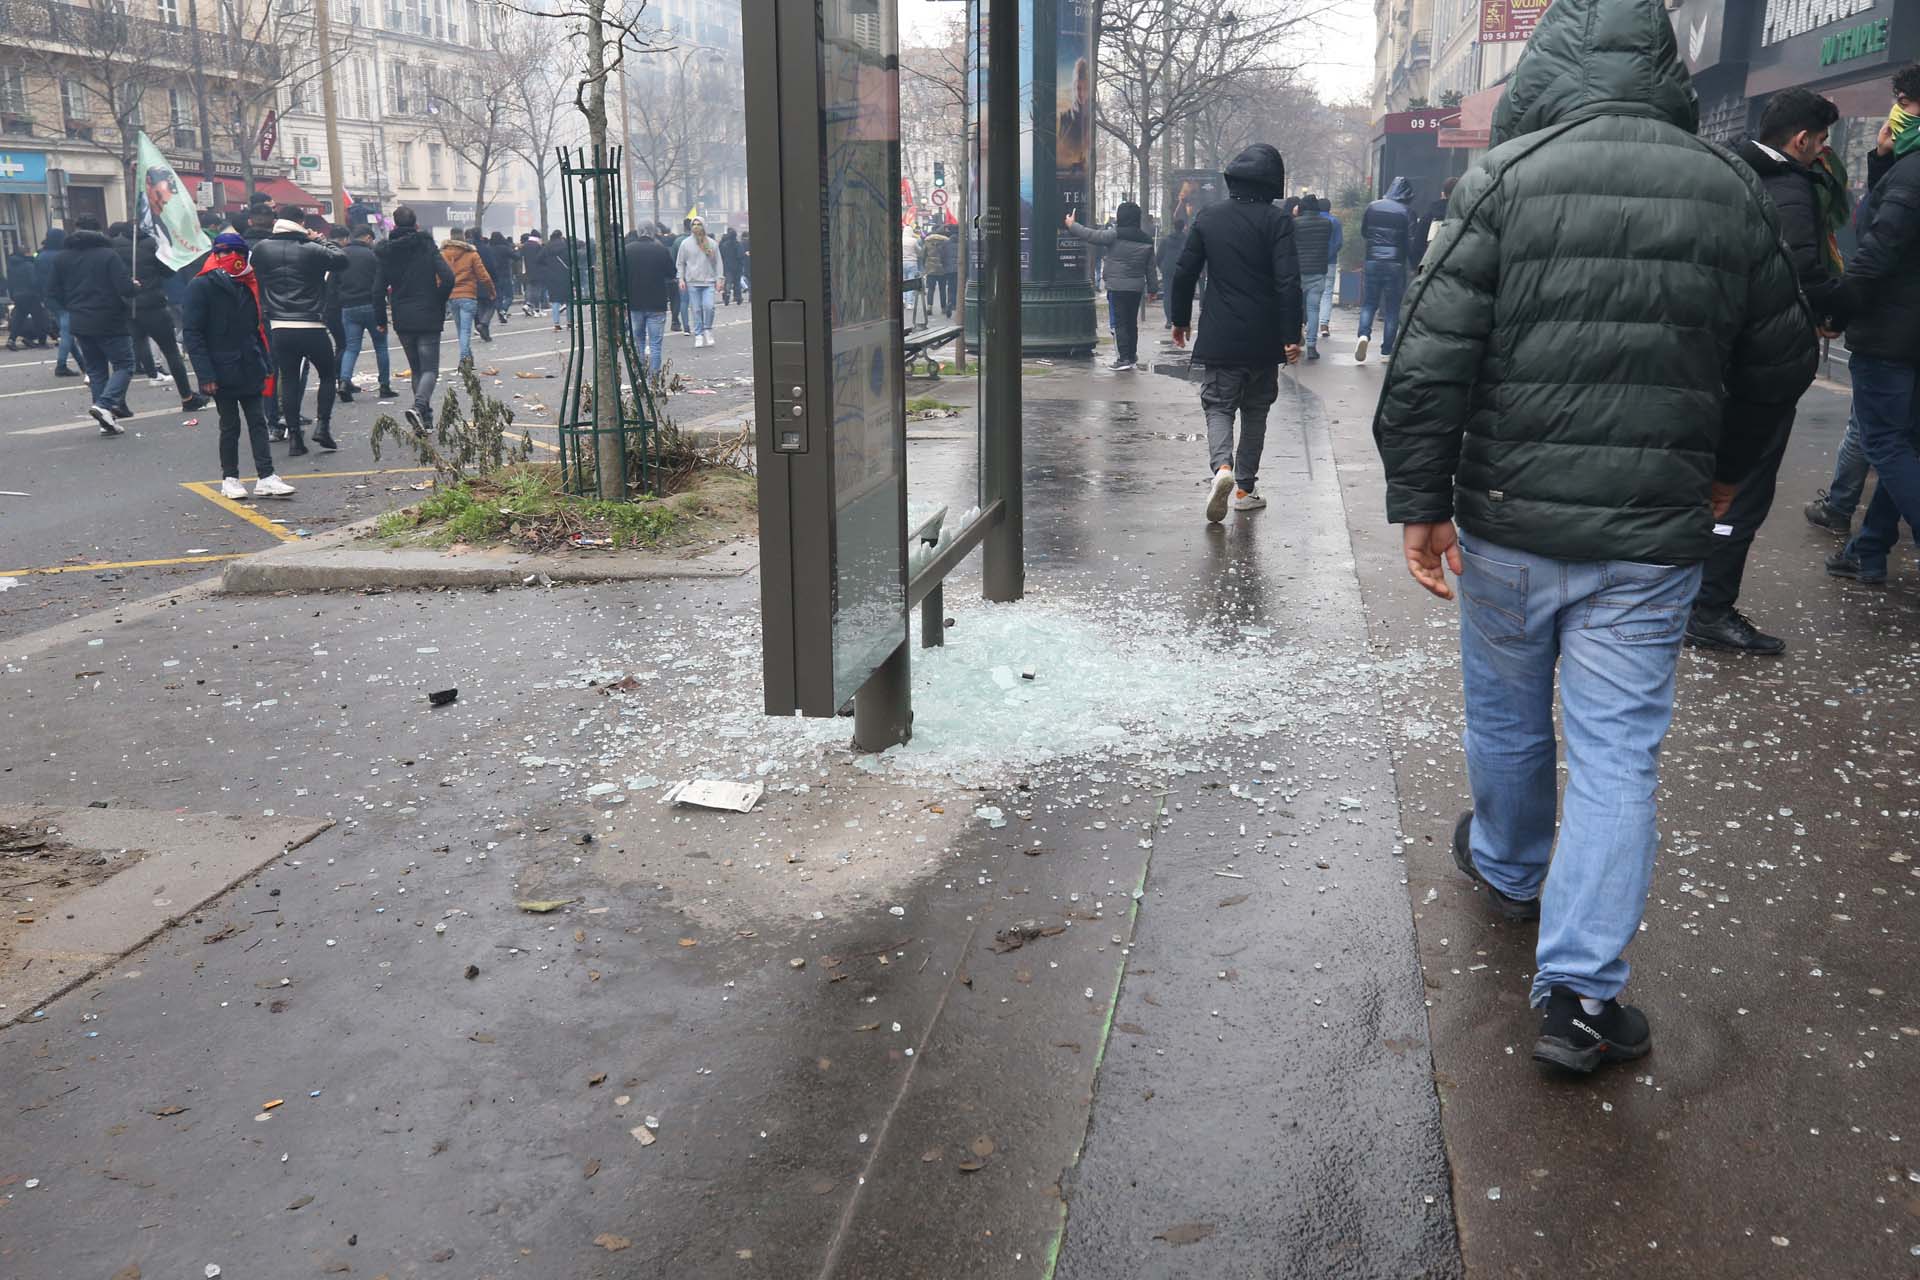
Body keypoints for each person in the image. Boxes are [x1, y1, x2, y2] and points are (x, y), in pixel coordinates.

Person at [1374, 0, 1815, 1074]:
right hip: (1651, 540)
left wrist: (1421, 501)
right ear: (1667, 69)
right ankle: (1577, 997)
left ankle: (1513, 867)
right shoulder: (1728, 188)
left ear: (1550, 66)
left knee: (1509, 714)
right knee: (1619, 755)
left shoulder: (1504, 180)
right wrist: (1719, 470)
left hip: (1512, 523)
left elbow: (1427, 362)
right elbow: (1783, 358)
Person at [1684, 89, 1846, 654]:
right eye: (1822, 143)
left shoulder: (1728, 171)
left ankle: (1688, 596)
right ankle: (1709, 608)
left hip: (1715, 352)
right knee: (1742, 486)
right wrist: (1833, 308)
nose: (1823, 154)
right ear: (1801, 140)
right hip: (1761, 361)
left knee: (1707, 479)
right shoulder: (1789, 187)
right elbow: (1800, 272)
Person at [1168, 143, 1302, 522]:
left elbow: (1184, 272)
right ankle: (1245, 488)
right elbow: (1289, 282)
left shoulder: (1209, 217)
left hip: (1220, 334)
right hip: (1265, 339)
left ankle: (1221, 469)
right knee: (1256, 412)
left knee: (1218, 406)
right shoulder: (1277, 222)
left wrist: (1180, 320)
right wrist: (1291, 335)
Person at [1826, 62, 1920, 588]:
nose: (1896, 114)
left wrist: (1838, 310)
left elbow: (1876, 248)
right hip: (1908, 331)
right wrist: (1884, 162)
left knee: (1884, 441)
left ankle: (1867, 549)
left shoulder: (1913, 173)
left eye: (1903, 101)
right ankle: (1868, 551)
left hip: (1891, 332)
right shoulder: (1905, 169)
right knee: (1904, 441)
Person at [181, 232, 294, 500]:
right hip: (221, 369)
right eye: (227, 254)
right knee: (229, 425)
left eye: (239, 254)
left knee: (257, 422)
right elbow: (193, 334)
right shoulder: (201, 286)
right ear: (216, 255)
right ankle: (230, 478)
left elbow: (255, 329)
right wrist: (205, 374)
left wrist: (264, 361)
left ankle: (266, 476)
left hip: (249, 364)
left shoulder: (247, 283)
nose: (234, 259)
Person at [251, 203, 347, 455]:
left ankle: (295, 438)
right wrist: (322, 240)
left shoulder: (261, 249)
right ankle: (323, 427)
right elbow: (341, 260)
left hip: (280, 326)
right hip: (311, 323)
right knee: (327, 374)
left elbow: (258, 276)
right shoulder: (311, 249)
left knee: (289, 378)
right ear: (301, 222)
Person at [44, 214, 138, 435]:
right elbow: (125, 288)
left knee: (96, 371)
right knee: (125, 364)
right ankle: (105, 405)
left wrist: (67, 308)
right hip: (109, 319)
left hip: (79, 320)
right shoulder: (108, 255)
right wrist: (135, 286)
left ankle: (105, 421)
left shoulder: (62, 258)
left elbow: (51, 292)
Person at [373, 204, 456, 434]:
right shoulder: (426, 245)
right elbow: (448, 277)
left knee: (416, 369)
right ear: (416, 223)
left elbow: (377, 289)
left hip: (402, 315)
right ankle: (420, 407)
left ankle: (425, 421)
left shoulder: (386, 252)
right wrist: (438, 300)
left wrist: (381, 319)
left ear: (395, 224)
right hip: (428, 312)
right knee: (430, 369)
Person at [1064, 202, 1155, 371]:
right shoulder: (1147, 239)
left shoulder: (1114, 235)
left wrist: (1072, 225)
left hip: (1117, 286)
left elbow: (1091, 235)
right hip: (1136, 287)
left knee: (1118, 323)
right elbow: (1150, 267)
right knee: (1130, 323)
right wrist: (1153, 290)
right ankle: (1132, 355)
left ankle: (1122, 358)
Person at [131, 229, 209, 412]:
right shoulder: (153, 247)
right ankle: (186, 396)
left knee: (134, 349)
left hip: (129, 306)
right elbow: (167, 271)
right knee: (171, 351)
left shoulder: (115, 250)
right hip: (153, 304)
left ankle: (112, 401)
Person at [335, 226, 397, 402]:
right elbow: (382, 283)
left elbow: (334, 282)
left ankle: (344, 382)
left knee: (351, 348)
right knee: (381, 347)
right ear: (369, 238)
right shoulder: (373, 256)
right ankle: (384, 385)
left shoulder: (340, 254)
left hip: (348, 307)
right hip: (371, 305)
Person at [1355, 176, 1412, 363]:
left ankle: (1363, 335)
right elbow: (1409, 241)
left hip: (1372, 259)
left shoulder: (1373, 206)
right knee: (1392, 308)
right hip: (1395, 263)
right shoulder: (1406, 211)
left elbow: (1364, 232)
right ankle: (1386, 351)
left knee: (1369, 303)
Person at [623, 224, 677, 377]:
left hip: (634, 302)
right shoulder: (661, 249)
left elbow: (621, 275)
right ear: (653, 233)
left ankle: (640, 376)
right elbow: (671, 273)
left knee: (638, 342)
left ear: (639, 232)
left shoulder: (628, 250)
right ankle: (653, 379)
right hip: (657, 302)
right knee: (655, 344)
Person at [442, 227, 495, 366]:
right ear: (463, 238)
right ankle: (465, 359)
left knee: (461, 330)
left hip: (452, 296)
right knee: (466, 330)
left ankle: (468, 358)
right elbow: (483, 276)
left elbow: (438, 277)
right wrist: (491, 291)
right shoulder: (472, 254)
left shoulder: (443, 254)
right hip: (468, 295)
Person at [1292, 192, 1333, 362]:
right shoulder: (1327, 224)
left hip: (1299, 272)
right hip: (1318, 272)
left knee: (1296, 309)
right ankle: (1311, 346)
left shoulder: (1295, 223)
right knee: (1313, 309)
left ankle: (1295, 340)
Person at [41, 229, 79, 377]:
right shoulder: (61, 256)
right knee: (68, 332)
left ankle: (82, 363)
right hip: (62, 298)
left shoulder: (41, 256)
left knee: (67, 331)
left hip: (48, 298)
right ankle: (61, 365)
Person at [677, 218, 721, 347]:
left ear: (704, 226)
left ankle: (707, 329)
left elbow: (718, 262)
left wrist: (720, 278)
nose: (696, 226)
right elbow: (681, 263)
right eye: (694, 224)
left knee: (709, 306)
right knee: (696, 309)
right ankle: (699, 334)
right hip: (692, 281)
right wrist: (681, 278)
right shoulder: (685, 244)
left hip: (708, 281)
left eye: (699, 224)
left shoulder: (711, 243)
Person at [6, 241, 49, 348]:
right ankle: (42, 341)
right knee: (40, 318)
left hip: (18, 295)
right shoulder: (28, 265)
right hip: (31, 295)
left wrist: (13, 295)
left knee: (19, 318)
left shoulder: (11, 266)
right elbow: (34, 281)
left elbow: (10, 282)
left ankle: (11, 340)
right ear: (25, 254)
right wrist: (40, 294)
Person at [1411, 176, 1455, 262]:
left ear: (1443, 194)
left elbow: (1417, 244)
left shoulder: (1428, 216)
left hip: (1431, 265)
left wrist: (1415, 266)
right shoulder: (1465, 216)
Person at [1155, 216, 1188, 327]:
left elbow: (1158, 256)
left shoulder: (1166, 240)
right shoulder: (1187, 240)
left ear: (1174, 227)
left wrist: (1162, 267)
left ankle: (1169, 319)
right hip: (1182, 269)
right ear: (1183, 227)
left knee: (1168, 294)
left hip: (1168, 269)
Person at [1317, 197, 1343, 341]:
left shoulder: (1313, 220)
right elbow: (1339, 242)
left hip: (1313, 263)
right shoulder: (1335, 221)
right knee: (1327, 294)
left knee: (1312, 293)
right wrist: (1330, 255)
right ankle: (1324, 325)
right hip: (1330, 263)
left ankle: (1308, 325)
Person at [538, 232, 572, 330]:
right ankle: (569, 322)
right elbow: (571, 260)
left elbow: (538, 259)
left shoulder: (547, 247)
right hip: (565, 275)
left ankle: (556, 323)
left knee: (555, 300)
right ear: (560, 236)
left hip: (551, 276)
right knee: (568, 300)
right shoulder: (565, 246)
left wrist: (548, 265)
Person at [481, 232, 516, 328]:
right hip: (505, 274)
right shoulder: (505, 248)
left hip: (494, 275)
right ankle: (503, 310)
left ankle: (500, 311)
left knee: (498, 296)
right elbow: (516, 256)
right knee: (509, 296)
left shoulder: (489, 248)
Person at [718, 227, 744, 306]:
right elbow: (740, 255)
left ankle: (726, 296)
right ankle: (738, 297)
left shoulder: (724, 245)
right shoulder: (738, 244)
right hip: (737, 267)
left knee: (728, 282)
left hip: (727, 266)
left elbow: (721, 256)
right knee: (737, 283)